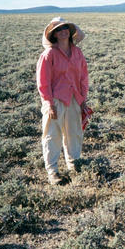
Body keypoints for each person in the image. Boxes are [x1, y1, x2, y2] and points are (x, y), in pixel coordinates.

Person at [36, 17, 90, 185]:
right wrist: (49, 104)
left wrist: (82, 98)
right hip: (56, 100)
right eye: (59, 29)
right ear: (54, 34)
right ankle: (52, 172)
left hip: (74, 98)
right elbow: (43, 82)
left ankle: (74, 167)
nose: (63, 31)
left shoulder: (77, 53)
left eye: (65, 27)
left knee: (74, 134)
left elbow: (83, 77)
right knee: (52, 135)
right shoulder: (48, 55)